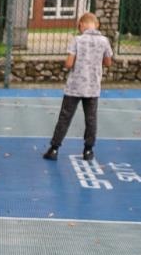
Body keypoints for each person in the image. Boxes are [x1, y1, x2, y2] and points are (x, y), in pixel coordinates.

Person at [43, 11, 113, 162]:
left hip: (74, 86)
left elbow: (69, 63)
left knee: (65, 117)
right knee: (91, 119)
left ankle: (54, 149)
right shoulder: (104, 41)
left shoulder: (77, 40)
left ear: (81, 25)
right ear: (97, 25)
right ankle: (88, 151)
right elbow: (108, 62)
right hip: (93, 86)